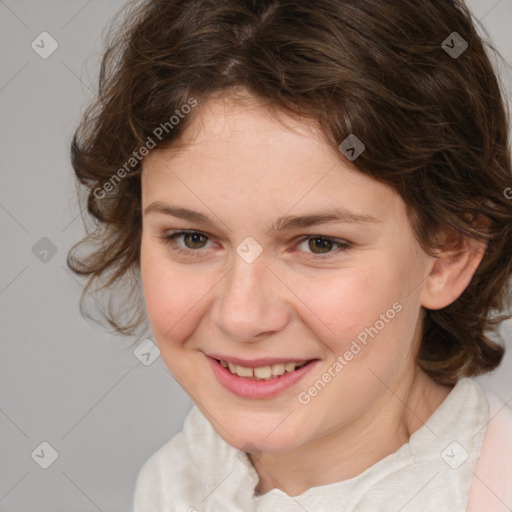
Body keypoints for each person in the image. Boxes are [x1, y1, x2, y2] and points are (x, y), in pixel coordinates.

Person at [67, 0, 512, 510]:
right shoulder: (174, 484)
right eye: (192, 238)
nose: (242, 316)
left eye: (319, 244)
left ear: (448, 254)